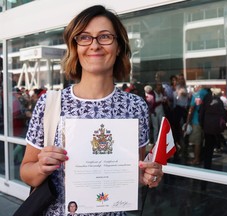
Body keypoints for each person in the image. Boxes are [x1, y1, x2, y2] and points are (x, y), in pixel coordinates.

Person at [20, 5, 163, 216]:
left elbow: (134, 177)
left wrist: (147, 176)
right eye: (85, 37)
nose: (94, 45)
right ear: (75, 47)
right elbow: (26, 172)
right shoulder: (49, 104)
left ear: (119, 47)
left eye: (105, 36)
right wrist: (41, 166)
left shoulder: (136, 106)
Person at [185, 85, 208, 165]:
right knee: (202, 141)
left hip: (196, 121)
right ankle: (201, 158)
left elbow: (191, 109)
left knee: (197, 142)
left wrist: (187, 122)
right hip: (206, 122)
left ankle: (196, 159)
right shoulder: (208, 94)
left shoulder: (196, 95)